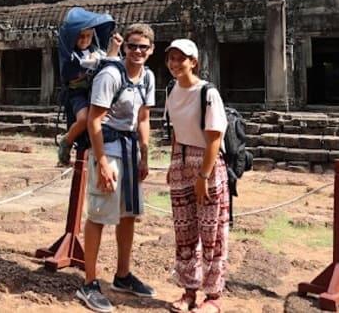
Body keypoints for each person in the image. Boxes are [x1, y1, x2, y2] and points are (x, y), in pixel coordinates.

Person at [76, 23, 156, 313]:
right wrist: (102, 163)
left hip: (131, 150)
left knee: (128, 215)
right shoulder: (110, 74)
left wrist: (145, 155)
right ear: (124, 47)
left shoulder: (147, 76)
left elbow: (144, 118)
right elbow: (94, 121)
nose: (137, 51)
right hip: (108, 149)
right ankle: (89, 283)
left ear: (151, 50)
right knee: (99, 214)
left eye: (143, 47)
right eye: (132, 46)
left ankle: (123, 275)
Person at [163, 39, 230, 313]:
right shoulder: (171, 90)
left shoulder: (208, 92)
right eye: (171, 59)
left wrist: (203, 174)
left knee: (212, 231)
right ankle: (189, 290)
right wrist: (172, 163)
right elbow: (176, 131)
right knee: (185, 230)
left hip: (208, 163)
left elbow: (215, 137)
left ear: (194, 61)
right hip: (181, 160)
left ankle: (213, 296)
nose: (175, 64)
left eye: (181, 58)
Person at [57, 27, 123, 166]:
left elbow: (108, 62)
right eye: (81, 36)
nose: (85, 39)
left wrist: (115, 47)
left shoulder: (96, 51)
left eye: (88, 36)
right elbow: (78, 68)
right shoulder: (71, 54)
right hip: (78, 94)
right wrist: (94, 61)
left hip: (96, 93)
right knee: (84, 120)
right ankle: (67, 141)